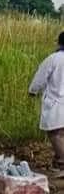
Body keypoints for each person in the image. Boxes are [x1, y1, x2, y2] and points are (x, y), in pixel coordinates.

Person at [28, 31, 64, 176]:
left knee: (54, 134)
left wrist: (33, 90)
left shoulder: (54, 59)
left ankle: (63, 162)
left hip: (56, 101)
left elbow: (41, 76)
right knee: (62, 133)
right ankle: (59, 162)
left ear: (59, 42)